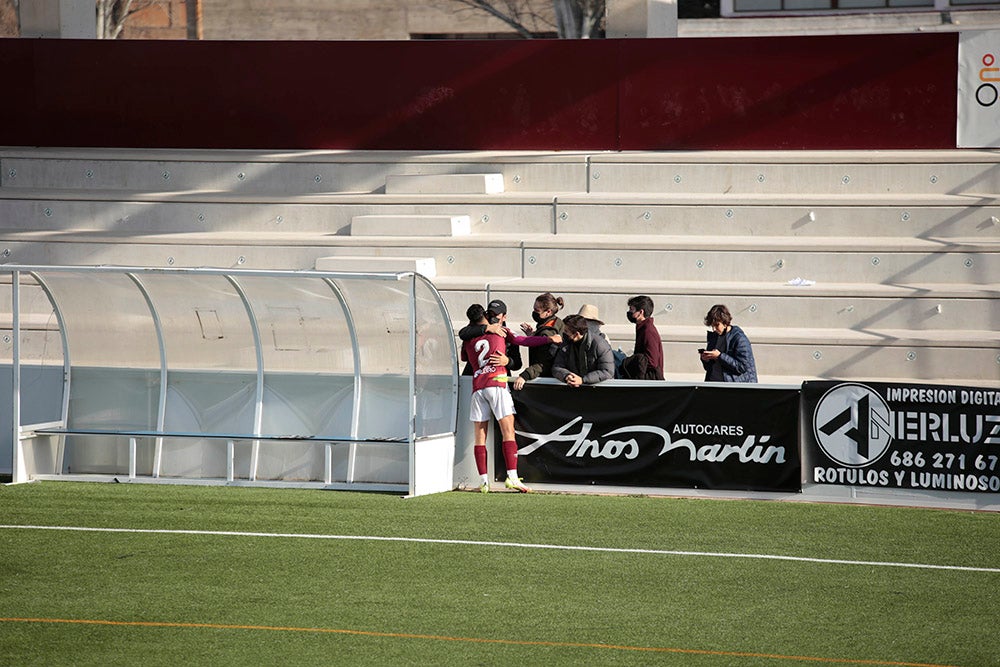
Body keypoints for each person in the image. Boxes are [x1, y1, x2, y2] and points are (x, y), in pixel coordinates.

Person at [460, 303, 554, 493]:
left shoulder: (469, 337)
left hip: (478, 388)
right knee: (508, 431)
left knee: (480, 437)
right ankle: (512, 477)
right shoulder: (501, 331)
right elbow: (524, 341)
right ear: (487, 315)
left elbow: (464, 356)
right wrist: (549, 339)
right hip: (497, 383)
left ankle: (484, 481)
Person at [511, 292, 565, 390]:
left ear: (548, 312)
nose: (534, 312)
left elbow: (543, 363)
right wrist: (533, 336)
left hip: (547, 383)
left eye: (537, 310)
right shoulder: (557, 322)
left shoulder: (548, 332)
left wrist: (525, 375)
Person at [551, 314, 615, 387]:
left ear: (576, 334)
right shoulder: (565, 344)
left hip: (598, 390)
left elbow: (607, 372)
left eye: (566, 331)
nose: (563, 334)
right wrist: (567, 376)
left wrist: (583, 380)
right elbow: (557, 366)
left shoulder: (600, 345)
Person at [700, 304, 758, 383]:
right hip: (713, 385)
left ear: (725, 323)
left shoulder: (739, 338)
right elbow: (710, 367)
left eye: (717, 325)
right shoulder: (714, 337)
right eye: (712, 326)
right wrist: (705, 359)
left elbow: (742, 367)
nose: (714, 329)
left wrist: (720, 356)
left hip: (733, 387)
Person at [619, 295, 664, 380]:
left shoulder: (648, 331)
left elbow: (652, 361)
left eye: (632, 309)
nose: (629, 312)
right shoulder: (642, 328)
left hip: (649, 382)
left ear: (641, 312)